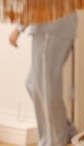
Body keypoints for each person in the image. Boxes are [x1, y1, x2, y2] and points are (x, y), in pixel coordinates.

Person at [9, 12, 78, 146]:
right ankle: (65, 130)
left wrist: (18, 29)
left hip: (51, 28)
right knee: (32, 83)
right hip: (51, 28)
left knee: (46, 89)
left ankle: (55, 141)